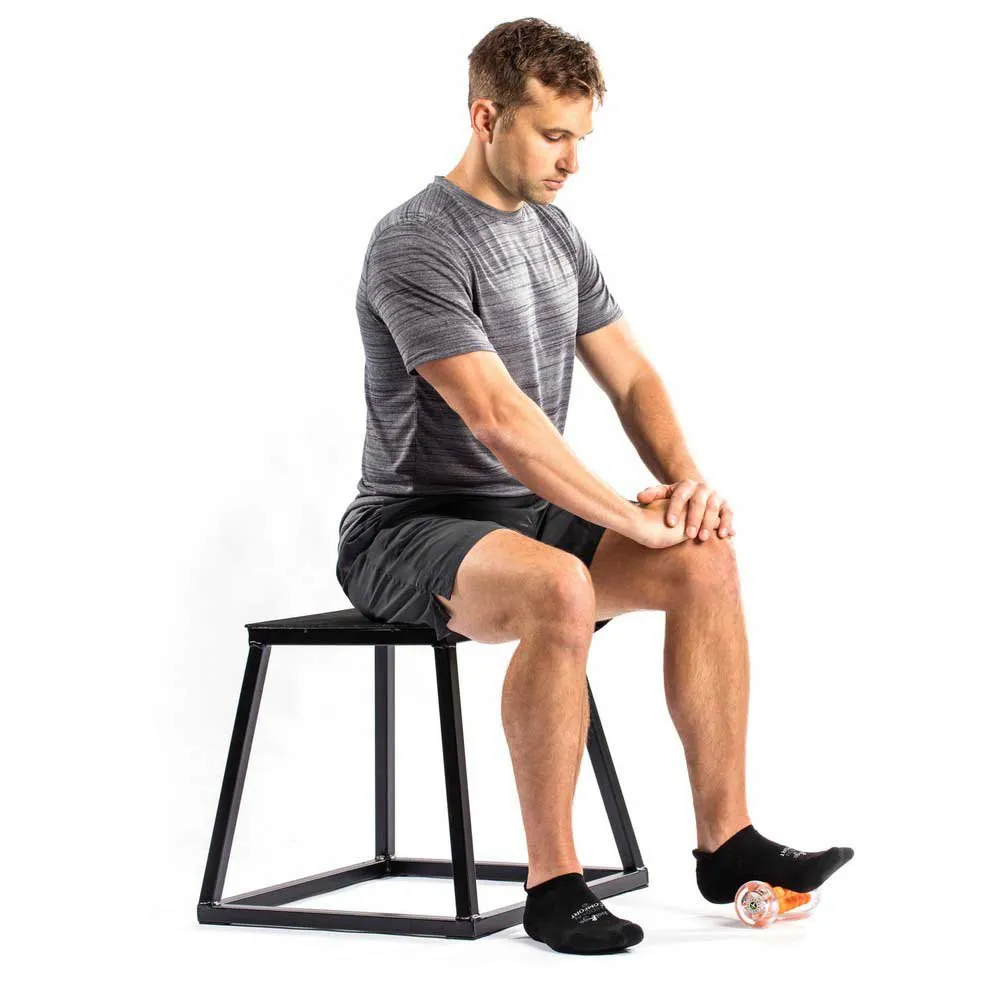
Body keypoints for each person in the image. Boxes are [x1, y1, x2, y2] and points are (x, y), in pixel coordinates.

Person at [336, 17, 853, 955]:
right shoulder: (414, 242)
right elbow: (497, 417)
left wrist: (684, 490)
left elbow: (631, 376)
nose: (572, 160)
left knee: (702, 558)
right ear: (486, 117)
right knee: (560, 583)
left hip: (527, 514)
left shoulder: (554, 231)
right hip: (408, 528)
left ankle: (727, 843)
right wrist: (625, 518)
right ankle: (554, 884)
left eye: (580, 136)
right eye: (552, 135)